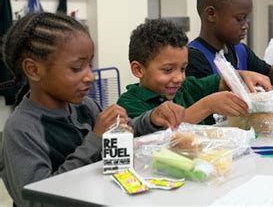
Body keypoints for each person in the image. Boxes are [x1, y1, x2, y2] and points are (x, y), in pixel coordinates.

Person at [0, 12, 185, 206]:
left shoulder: (86, 106)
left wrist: (151, 119)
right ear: (34, 69)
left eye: (90, 65)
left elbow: (124, 130)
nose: (90, 76)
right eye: (77, 68)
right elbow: (37, 200)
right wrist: (95, 140)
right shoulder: (21, 129)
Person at [117, 18, 272, 125]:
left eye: (183, 68)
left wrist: (241, 76)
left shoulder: (186, 88)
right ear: (138, 69)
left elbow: (220, 83)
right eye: (168, 70)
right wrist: (207, 105)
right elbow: (162, 135)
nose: (179, 78)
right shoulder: (128, 105)